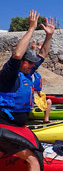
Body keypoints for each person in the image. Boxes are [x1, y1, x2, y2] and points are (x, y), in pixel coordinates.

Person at [0, 10, 56, 171]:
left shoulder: (28, 72)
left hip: (16, 127)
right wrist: (31, 28)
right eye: (29, 62)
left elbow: (43, 54)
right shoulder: (9, 74)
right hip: (5, 127)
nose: (33, 65)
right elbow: (17, 54)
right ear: (21, 62)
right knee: (34, 161)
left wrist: (49, 36)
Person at [31, 40, 52, 124]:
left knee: (48, 101)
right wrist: (33, 50)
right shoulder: (29, 74)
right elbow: (33, 60)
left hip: (37, 94)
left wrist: (40, 49)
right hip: (30, 95)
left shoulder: (37, 74)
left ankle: (46, 120)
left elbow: (39, 61)